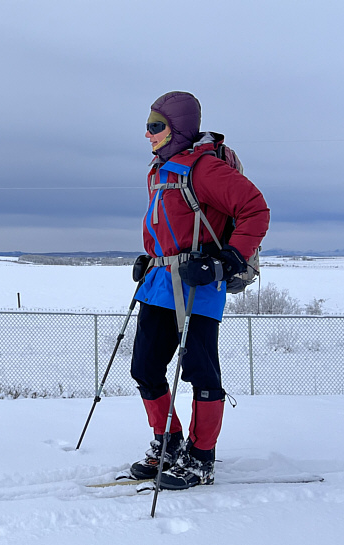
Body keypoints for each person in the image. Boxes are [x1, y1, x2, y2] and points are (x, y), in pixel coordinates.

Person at [129, 91, 269, 489]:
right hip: (159, 283)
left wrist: (227, 261)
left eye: (157, 126)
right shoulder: (159, 172)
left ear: (179, 128)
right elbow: (166, 226)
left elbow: (255, 209)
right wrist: (150, 256)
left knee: (200, 373)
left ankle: (201, 458)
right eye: (148, 125)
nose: (148, 134)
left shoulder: (203, 169)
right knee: (145, 368)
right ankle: (169, 442)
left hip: (199, 284)